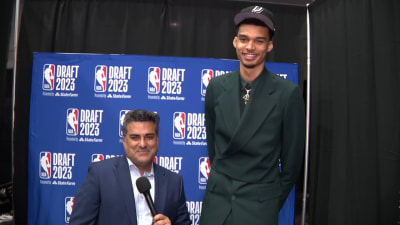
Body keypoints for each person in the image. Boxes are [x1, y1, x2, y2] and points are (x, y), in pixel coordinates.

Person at [200, 5, 305, 225]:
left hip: (258, 209)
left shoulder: (287, 93)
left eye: (259, 40)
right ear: (235, 41)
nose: (250, 46)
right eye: (244, 39)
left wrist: (267, 201)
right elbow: (214, 150)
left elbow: (292, 164)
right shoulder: (216, 87)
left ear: (269, 45)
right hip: (217, 206)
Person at [69, 109, 191, 225]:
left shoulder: (174, 182)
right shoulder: (100, 175)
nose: (142, 144)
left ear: (157, 140)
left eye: (149, 137)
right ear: (124, 140)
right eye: (135, 137)